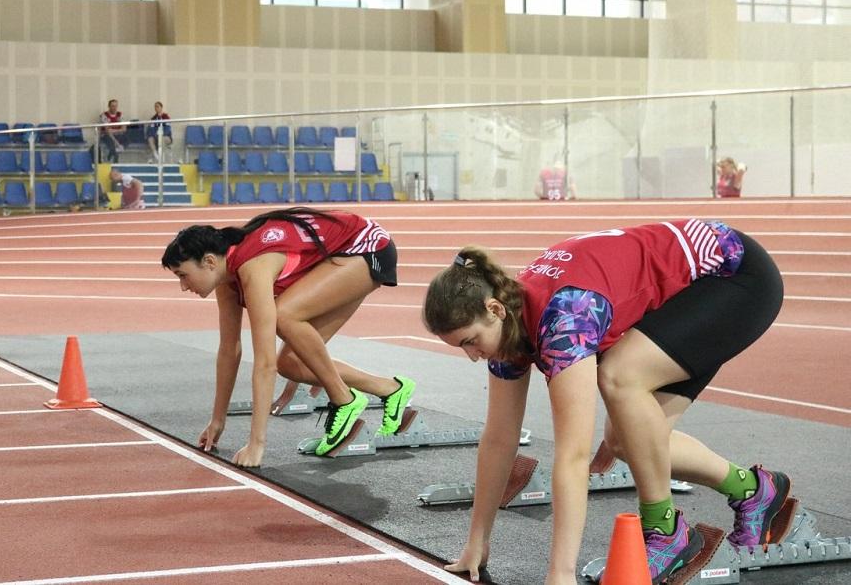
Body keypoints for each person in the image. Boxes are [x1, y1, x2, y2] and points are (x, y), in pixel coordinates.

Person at [422, 219, 788, 584]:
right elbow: (500, 438)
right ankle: (753, 490)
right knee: (625, 440)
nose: (472, 356)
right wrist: (477, 540)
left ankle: (664, 531)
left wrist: (560, 574)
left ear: (495, 310)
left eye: (471, 341)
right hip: (688, 291)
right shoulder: (507, 325)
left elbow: (574, 456)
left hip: (735, 276)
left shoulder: (566, 320)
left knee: (619, 376)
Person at [160, 207, 416, 467]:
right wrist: (217, 420)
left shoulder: (253, 267)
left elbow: (264, 363)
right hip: (342, 254)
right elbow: (229, 350)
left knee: (282, 316)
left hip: (367, 248)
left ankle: (343, 399)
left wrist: (256, 444)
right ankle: (391, 390)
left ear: (209, 262)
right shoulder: (226, 278)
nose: (183, 286)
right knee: (291, 364)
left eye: (183, 275)